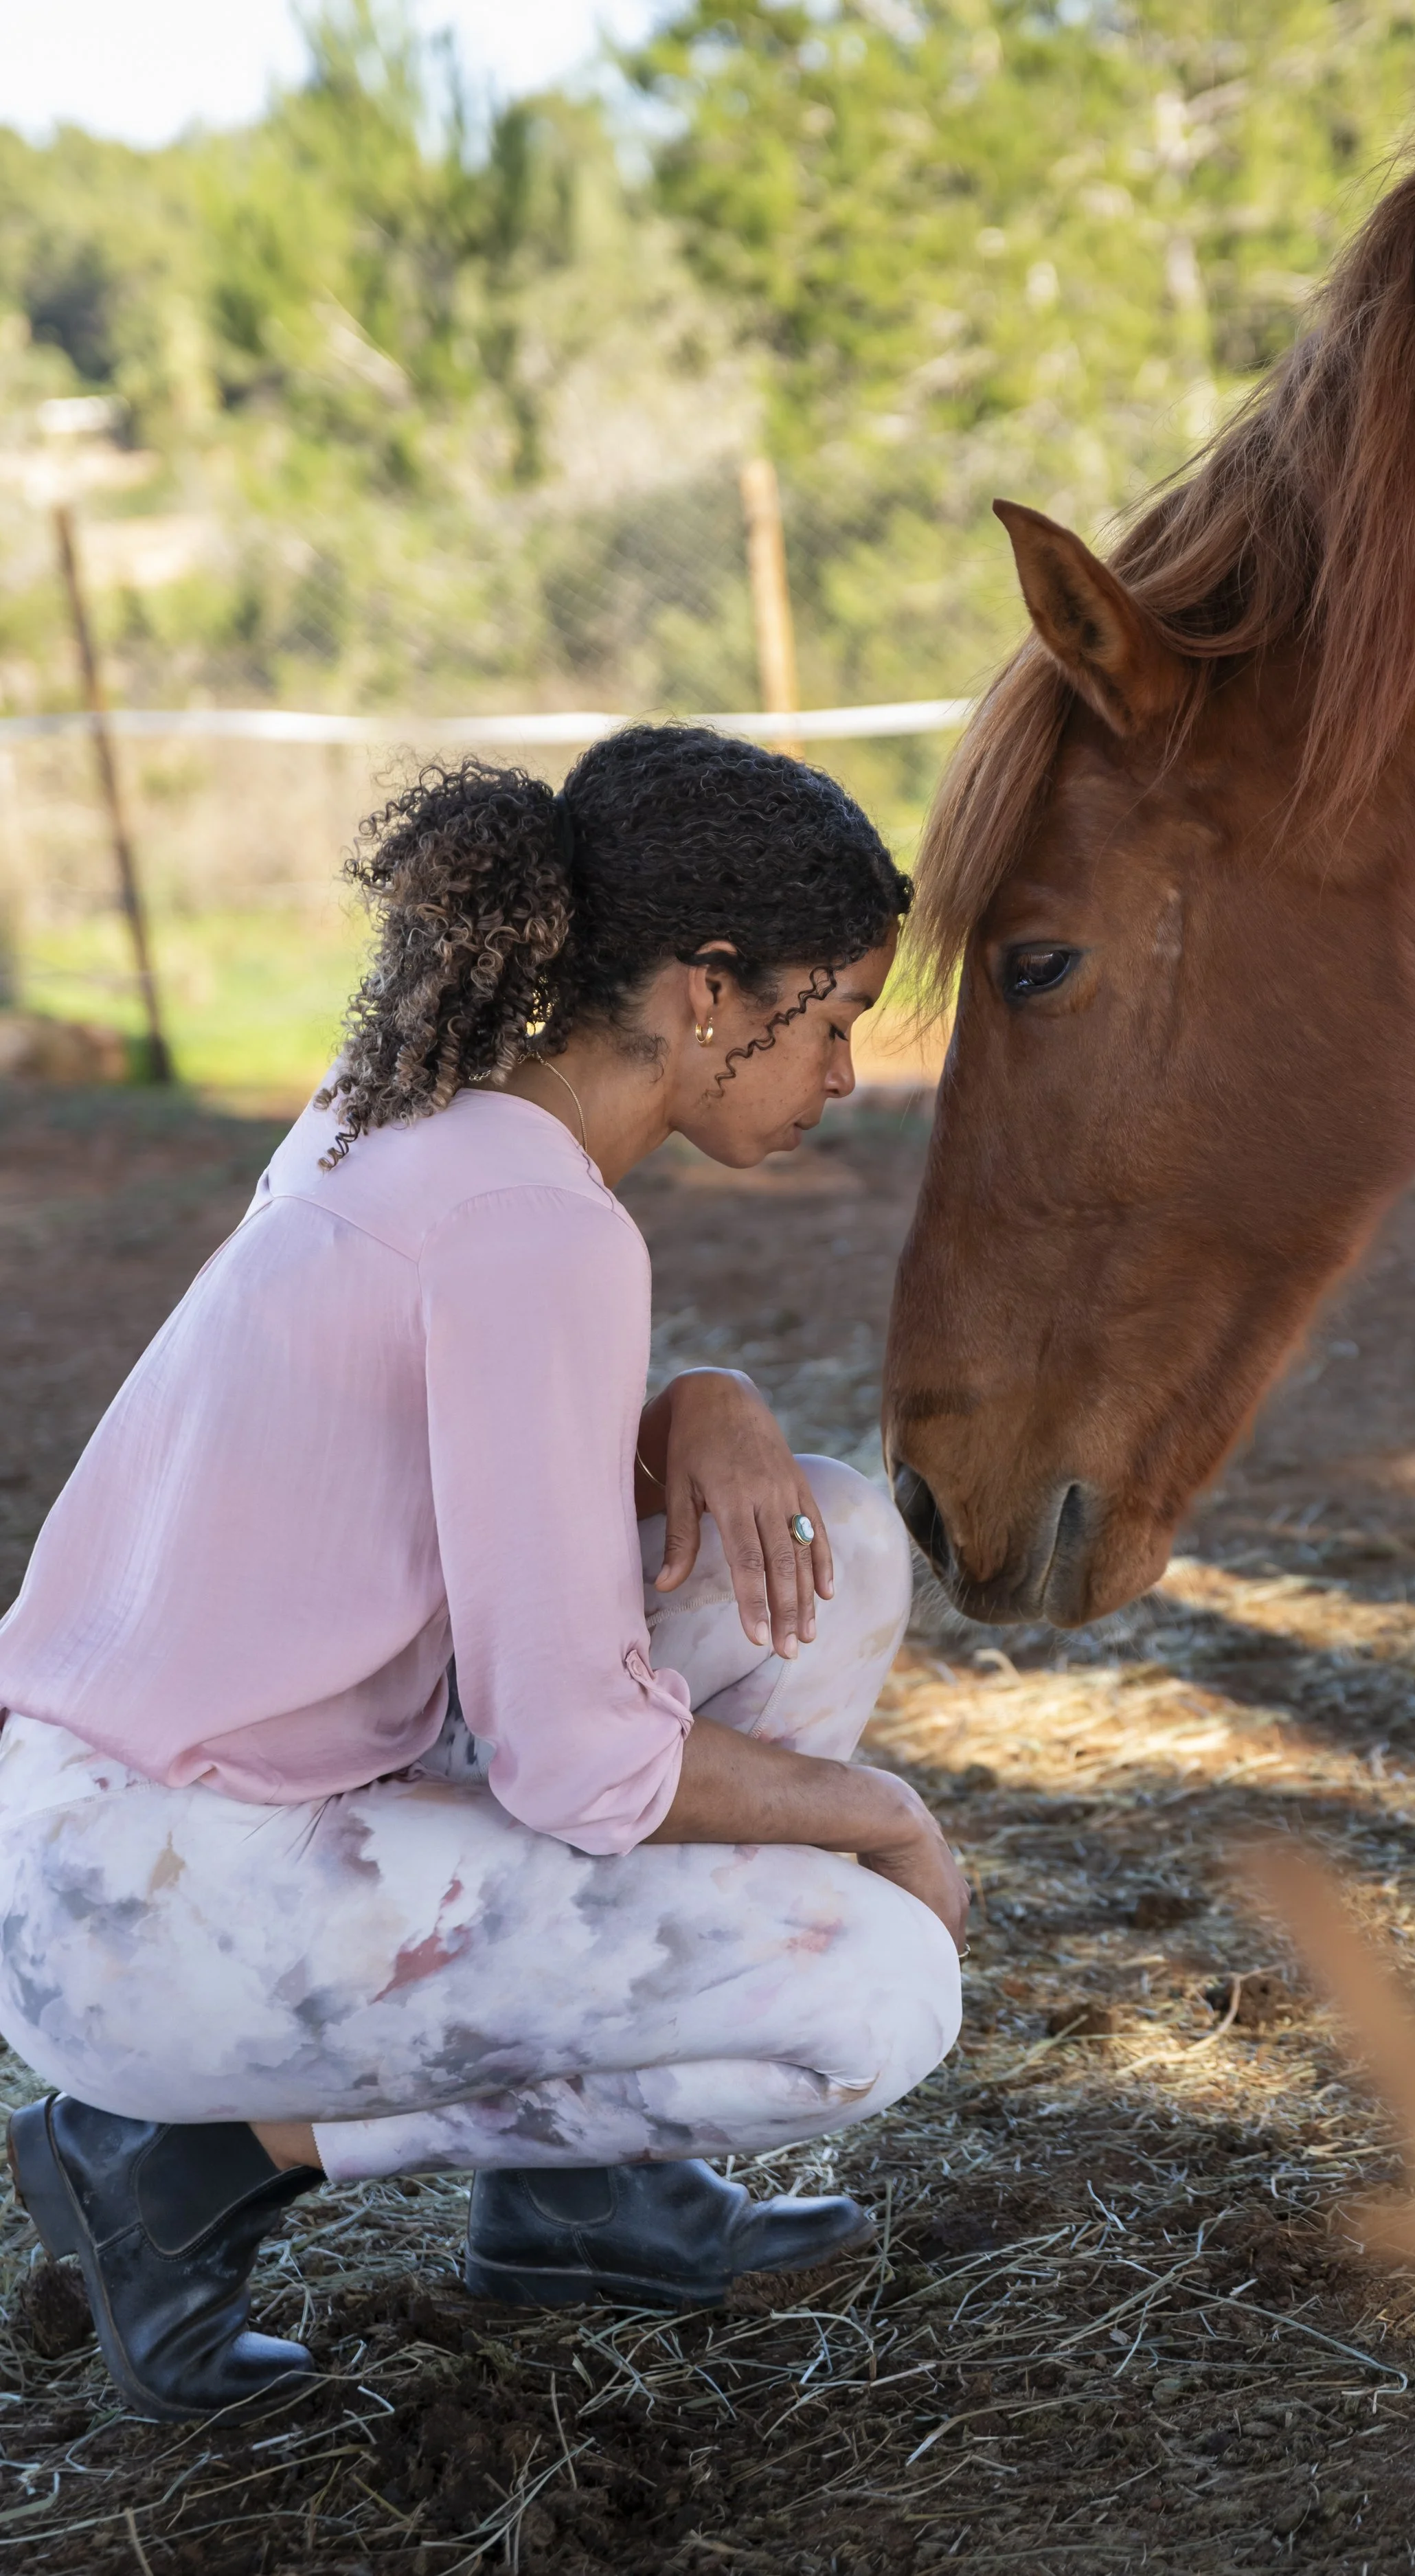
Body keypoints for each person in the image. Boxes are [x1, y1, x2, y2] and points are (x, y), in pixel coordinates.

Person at [0, 725, 966, 2424]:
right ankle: (185, 2163)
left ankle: (583, 2205)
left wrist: (698, 1411)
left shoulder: (410, 1114)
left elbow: (445, 1475)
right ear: (706, 989)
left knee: (831, 1532)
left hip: (104, 1828)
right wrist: (876, 1813)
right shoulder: (540, 1229)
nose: (840, 1074)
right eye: (828, 1019)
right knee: (873, 1990)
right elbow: (581, 1762)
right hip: (164, 1903)